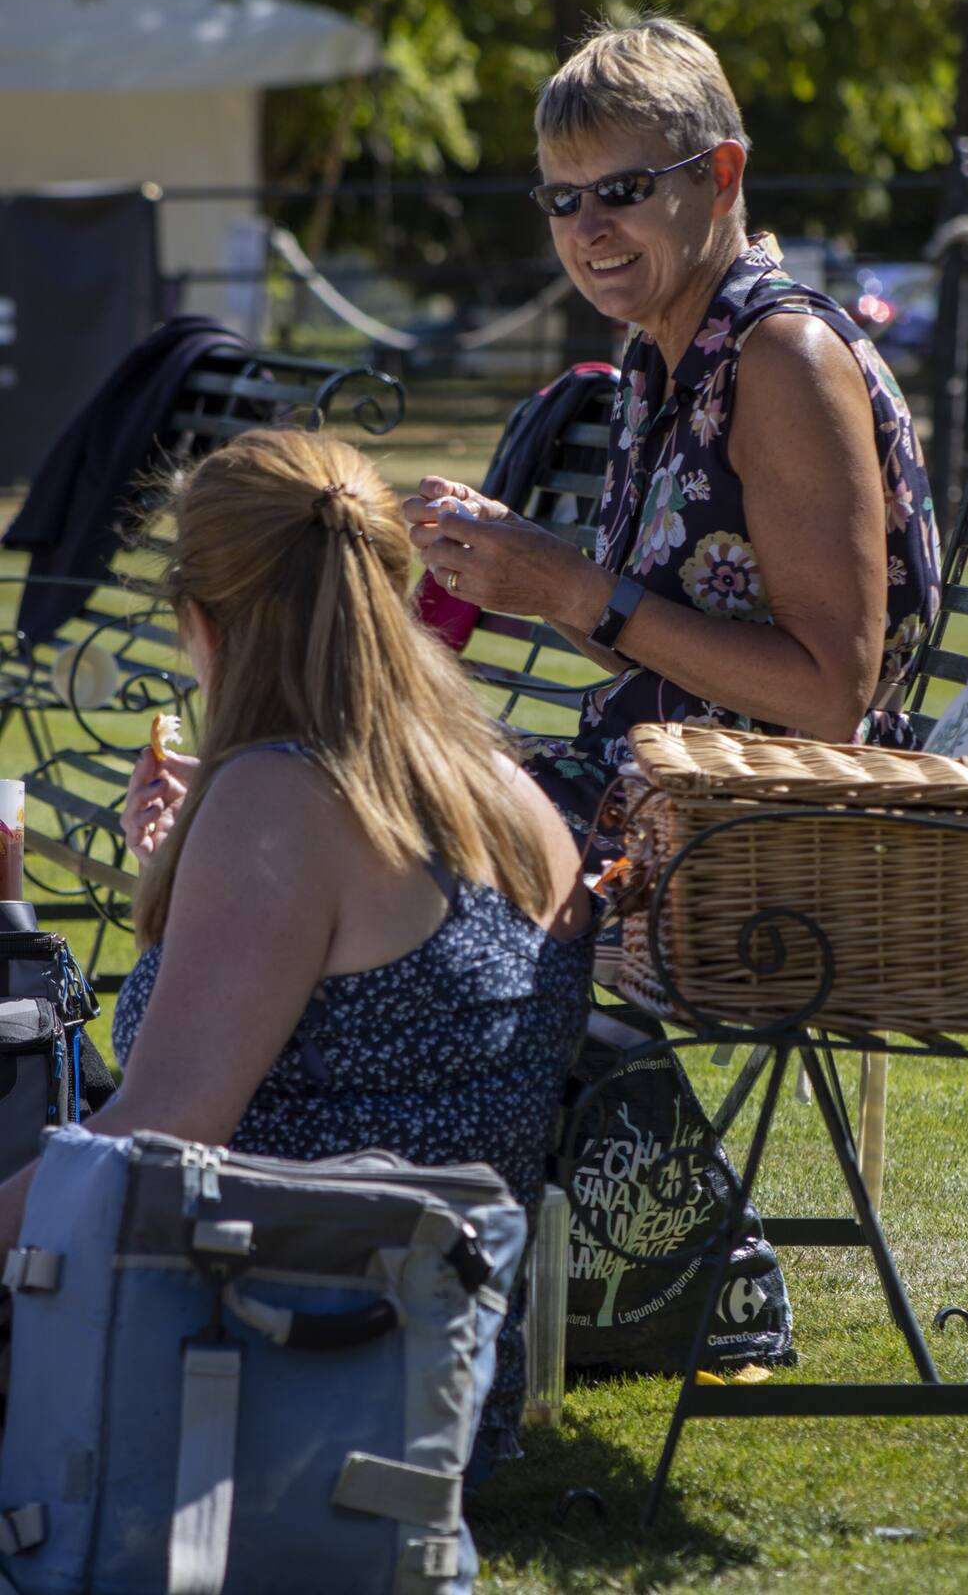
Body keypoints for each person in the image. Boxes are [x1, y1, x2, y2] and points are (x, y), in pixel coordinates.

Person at [0, 428, 595, 1473]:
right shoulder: (493, 784)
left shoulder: (283, 796)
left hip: (259, 1367)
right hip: (422, 1370)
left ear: (202, 618)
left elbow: (162, 1133)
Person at [406, 17, 941, 852]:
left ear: (721, 177)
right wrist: (523, 567)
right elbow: (667, 654)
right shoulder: (662, 353)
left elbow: (829, 694)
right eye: (563, 199)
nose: (587, 231)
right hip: (674, 793)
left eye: (622, 191)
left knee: (354, 820)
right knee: (341, 787)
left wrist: (574, 590)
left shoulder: (782, 356)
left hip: (775, 831)